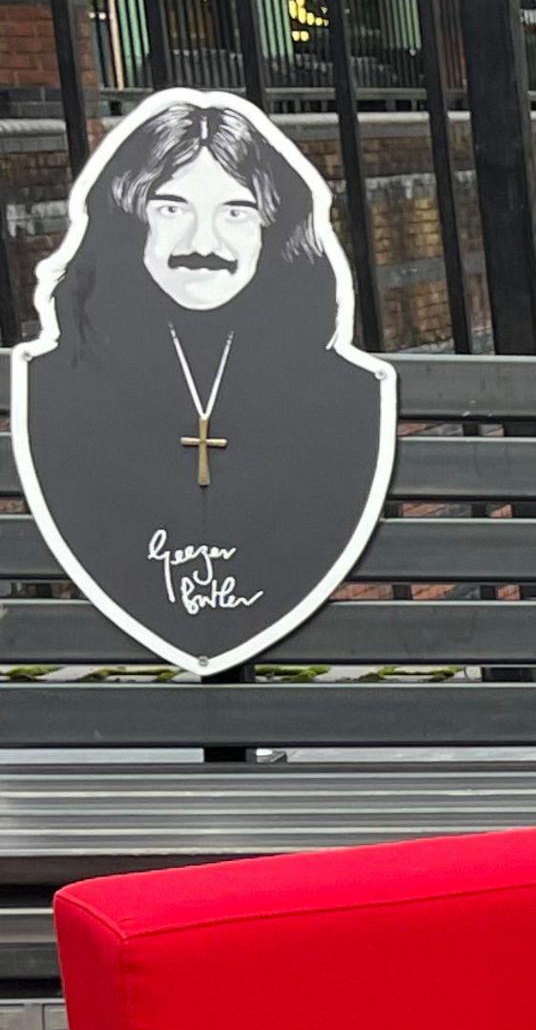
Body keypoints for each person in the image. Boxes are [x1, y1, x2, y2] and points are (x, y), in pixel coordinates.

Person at [10, 90, 390, 674]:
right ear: (126, 221)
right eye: (169, 209)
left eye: (236, 212)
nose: (202, 245)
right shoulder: (56, 384)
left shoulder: (349, 394)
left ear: (276, 229)